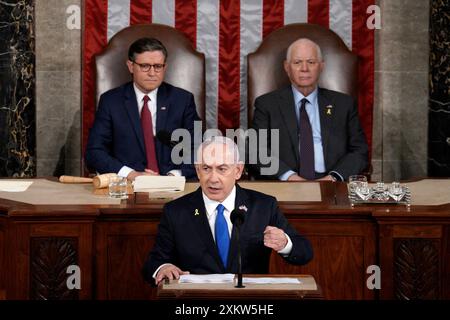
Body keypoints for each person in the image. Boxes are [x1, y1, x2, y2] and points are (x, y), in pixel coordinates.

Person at [143, 136, 313, 285]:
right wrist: (163, 268)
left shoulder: (263, 206)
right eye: (206, 168)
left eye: (222, 169)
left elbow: (304, 252)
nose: (213, 178)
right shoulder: (176, 211)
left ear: (238, 171)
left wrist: (285, 243)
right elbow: (154, 261)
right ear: (197, 171)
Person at [251, 38, 368, 182]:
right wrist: (288, 176)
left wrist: (334, 177)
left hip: (332, 183)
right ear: (287, 67)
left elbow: (359, 151)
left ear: (321, 66)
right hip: (286, 183)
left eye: (311, 62)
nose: (304, 68)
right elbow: (256, 151)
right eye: (297, 62)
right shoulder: (267, 104)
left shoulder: (343, 104)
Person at [85, 37, 200, 180]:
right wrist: (131, 174)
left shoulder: (182, 100)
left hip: (174, 186)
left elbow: (199, 148)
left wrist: (172, 176)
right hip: (128, 187)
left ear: (165, 67)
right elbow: (94, 152)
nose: (152, 73)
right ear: (131, 66)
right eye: (145, 66)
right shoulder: (111, 101)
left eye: (158, 66)